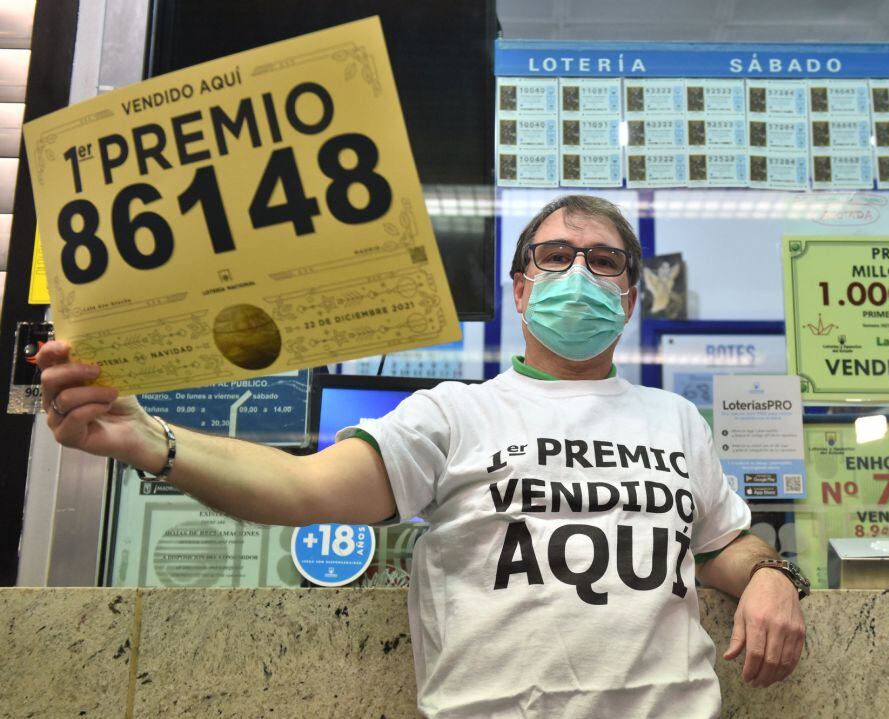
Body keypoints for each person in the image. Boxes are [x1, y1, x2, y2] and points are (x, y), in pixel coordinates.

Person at [39, 194, 806, 718]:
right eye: (556, 255)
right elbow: (303, 487)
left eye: (605, 262)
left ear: (631, 296)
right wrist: (154, 443)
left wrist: (771, 578)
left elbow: (717, 545)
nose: (581, 274)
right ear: (520, 286)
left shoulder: (676, 420)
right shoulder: (455, 411)